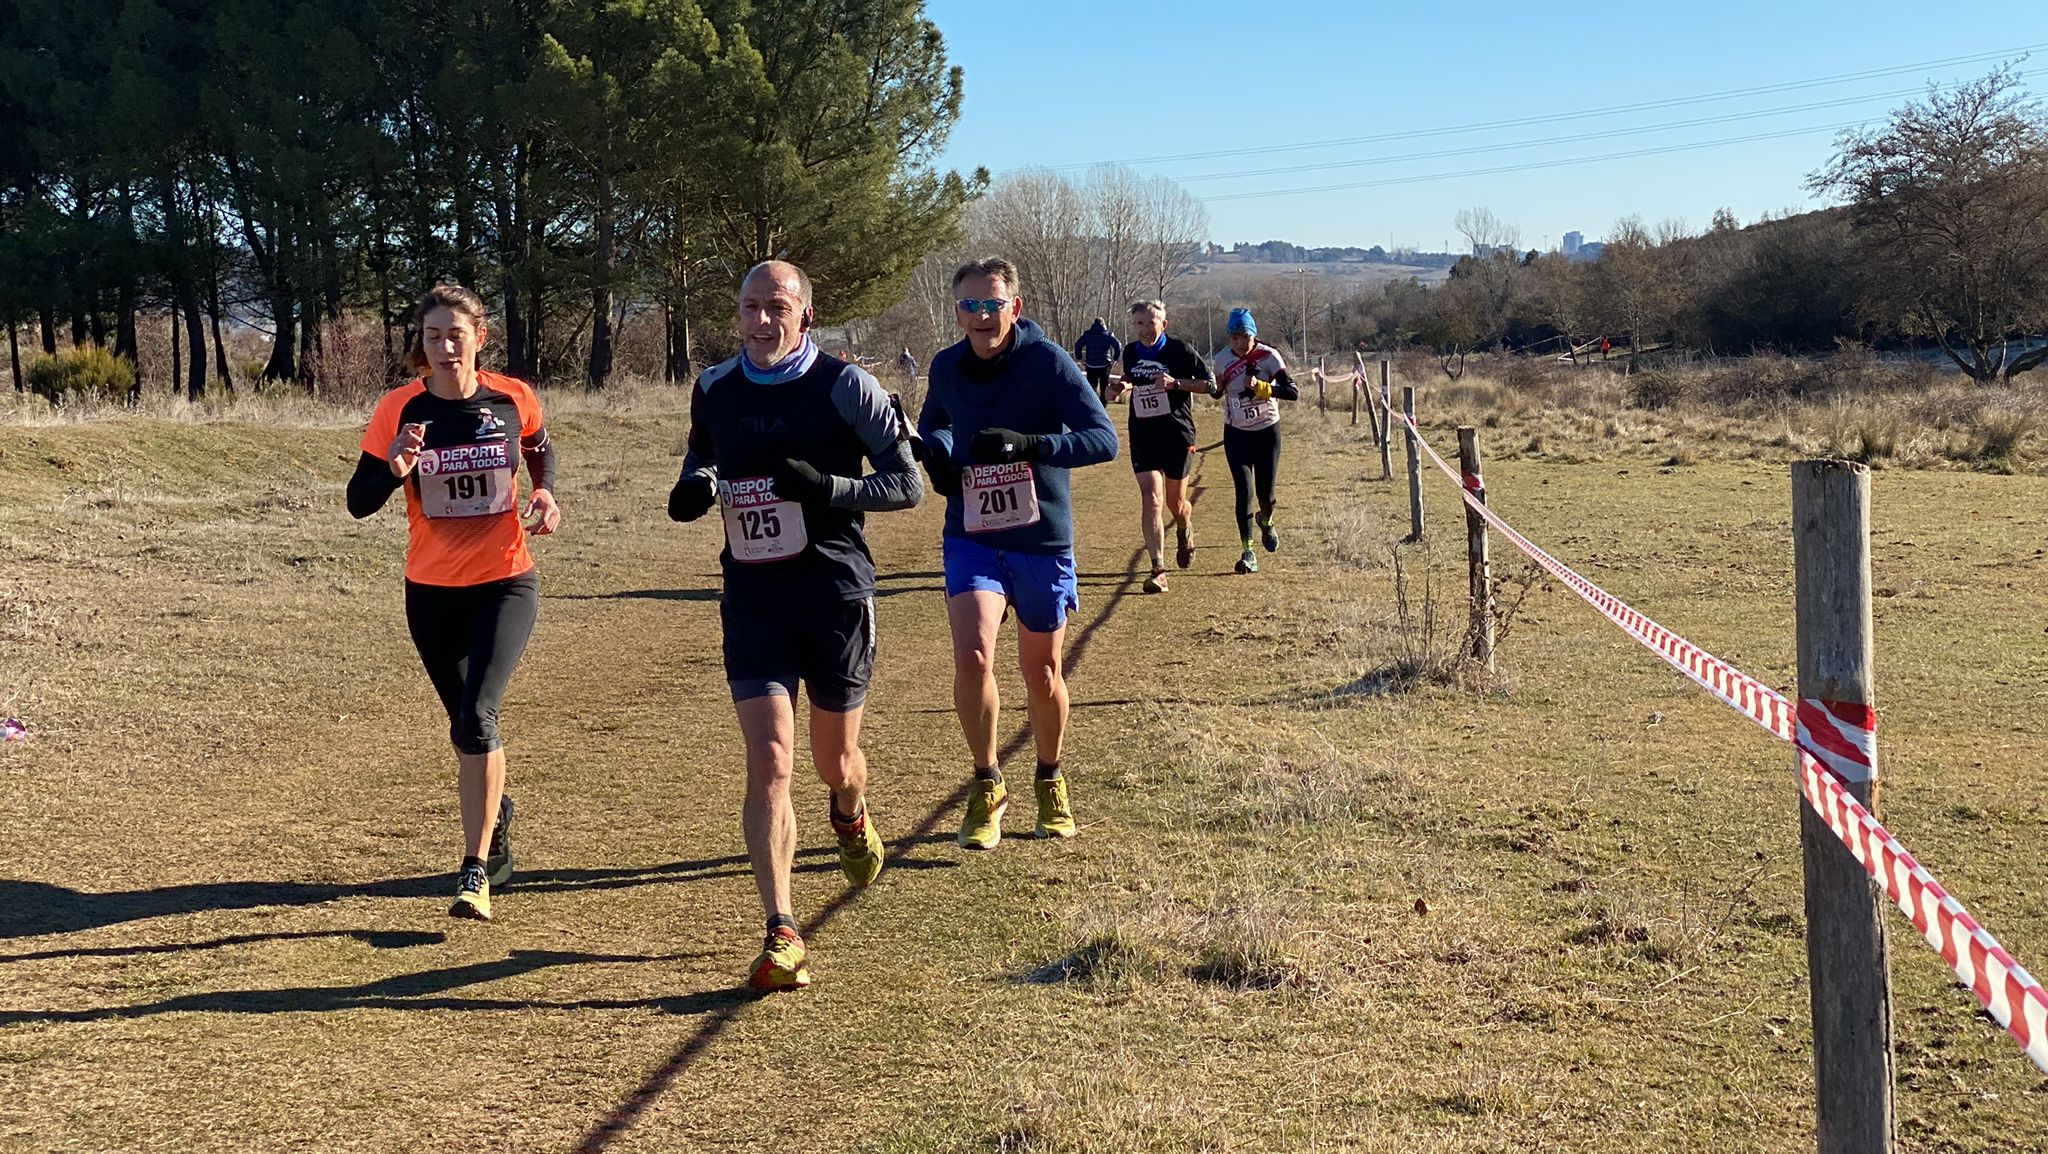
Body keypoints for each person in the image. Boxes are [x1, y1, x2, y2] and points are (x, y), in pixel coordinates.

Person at [667, 260, 922, 990]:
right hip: (753, 597)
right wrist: (694, 487)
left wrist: (829, 487)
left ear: (805, 315)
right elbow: (703, 457)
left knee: (833, 761)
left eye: (776, 307)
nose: (761, 321)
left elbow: (906, 484)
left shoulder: (847, 386)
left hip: (836, 593)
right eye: (750, 307)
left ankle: (850, 812)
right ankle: (782, 929)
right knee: (772, 761)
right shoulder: (715, 388)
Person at [347, 284, 561, 923]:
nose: (444, 347)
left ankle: (473, 870)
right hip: (432, 593)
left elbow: (541, 449)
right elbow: (359, 502)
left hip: (505, 582)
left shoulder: (512, 397)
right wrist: (393, 467)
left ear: (479, 339)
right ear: (423, 342)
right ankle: (496, 816)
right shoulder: (399, 410)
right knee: (467, 728)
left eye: (455, 335)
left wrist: (546, 493)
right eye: (433, 335)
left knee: (477, 718)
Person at [918, 257, 1117, 851]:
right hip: (972, 533)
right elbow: (939, 427)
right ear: (958, 312)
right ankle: (987, 783)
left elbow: (1102, 437)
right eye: (970, 306)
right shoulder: (947, 366)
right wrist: (938, 457)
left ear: (1015, 307)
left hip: (1039, 536)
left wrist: (1033, 445)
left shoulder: (1048, 362)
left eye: (992, 304)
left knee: (1043, 671)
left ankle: (1050, 778)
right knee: (974, 655)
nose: (981, 317)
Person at [1115, 299, 1213, 593]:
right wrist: (1120, 386)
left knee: (1175, 504)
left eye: (1150, 323)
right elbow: (1130, 378)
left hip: (1176, 435)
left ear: (1163, 324)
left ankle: (1184, 528)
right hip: (1143, 434)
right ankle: (1158, 569)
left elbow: (1210, 385)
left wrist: (1177, 384)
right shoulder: (1130, 352)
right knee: (1151, 498)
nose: (1145, 329)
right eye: (1139, 324)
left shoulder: (1180, 350)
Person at [1212, 308, 1299, 574]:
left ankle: (1267, 521)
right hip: (1236, 433)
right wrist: (1209, 385)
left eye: (1245, 336)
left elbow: (1292, 392)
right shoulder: (1221, 359)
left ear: (1254, 335)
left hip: (1266, 433)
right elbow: (1217, 393)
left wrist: (1263, 388)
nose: (1240, 342)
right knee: (1244, 492)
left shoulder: (1269, 357)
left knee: (1266, 495)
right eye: (1235, 337)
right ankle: (1247, 551)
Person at [1071, 317, 1121, 403]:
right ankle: (1103, 405)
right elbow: (1118, 345)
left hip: (1091, 365)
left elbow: (1077, 345)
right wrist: (1115, 359)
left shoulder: (1088, 335)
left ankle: (1093, 405)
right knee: (1104, 387)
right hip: (1105, 364)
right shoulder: (1108, 334)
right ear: (1104, 324)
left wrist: (1079, 358)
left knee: (1091, 387)